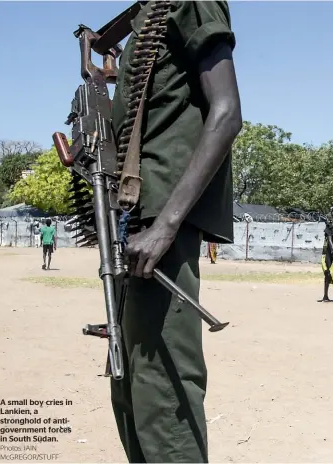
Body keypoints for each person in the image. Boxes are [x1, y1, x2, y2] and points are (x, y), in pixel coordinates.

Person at [108, 1, 242, 462]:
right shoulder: (143, 17)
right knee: (132, 395)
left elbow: (226, 113)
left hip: (158, 229)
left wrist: (166, 225)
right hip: (132, 225)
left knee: (164, 396)